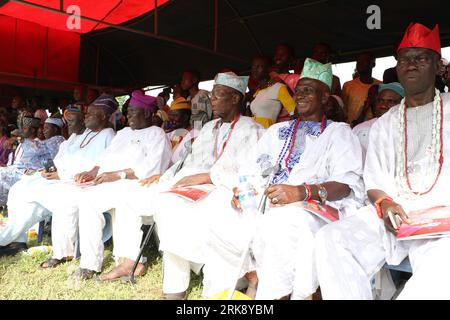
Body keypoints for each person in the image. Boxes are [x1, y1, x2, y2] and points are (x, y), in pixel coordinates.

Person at [201, 58, 364, 300]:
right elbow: (250, 169)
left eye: (308, 90)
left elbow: (345, 185)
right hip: (264, 203)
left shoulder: (338, 133)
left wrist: (301, 192)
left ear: (324, 97)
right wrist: (241, 190)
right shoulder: (276, 131)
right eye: (298, 90)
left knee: (279, 225)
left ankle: (278, 295)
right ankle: (241, 282)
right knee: (216, 212)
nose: (299, 95)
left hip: (311, 211)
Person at [94, 72, 264, 294]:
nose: (212, 99)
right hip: (193, 184)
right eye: (212, 94)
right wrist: (165, 176)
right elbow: (189, 161)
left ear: (235, 99)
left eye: (219, 95)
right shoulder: (209, 127)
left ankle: (213, 281)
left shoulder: (252, 129)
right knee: (152, 200)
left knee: (188, 208)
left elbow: (248, 171)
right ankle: (169, 280)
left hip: (225, 188)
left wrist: (208, 176)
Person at [315, 22, 450, 300]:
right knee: (332, 238)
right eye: (404, 60)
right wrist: (386, 202)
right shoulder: (385, 123)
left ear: (438, 67)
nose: (410, 65)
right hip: (394, 213)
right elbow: (374, 182)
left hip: (444, 220)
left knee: (440, 267)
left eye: (421, 58)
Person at [67, 90, 172, 279]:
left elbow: (152, 169)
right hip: (113, 183)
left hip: (139, 184)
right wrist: (93, 172)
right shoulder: (123, 133)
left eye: (133, 111)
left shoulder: (157, 134)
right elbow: (105, 158)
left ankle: (131, 262)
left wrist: (118, 174)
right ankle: (89, 263)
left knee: (125, 200)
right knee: (87, 199)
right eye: (128, 111)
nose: (128, 115)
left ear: (147, 113)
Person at [0, 103, 114, 256]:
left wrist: (62, 174)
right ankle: (17, 240)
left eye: (89, 115)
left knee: (36, 202)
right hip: (59, 177)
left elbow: (97, 166)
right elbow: (62, 160)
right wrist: (49, 171)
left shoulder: (108, 135)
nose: (86, 117)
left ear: (103, 117)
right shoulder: (75, 137)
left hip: (78, 183)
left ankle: (8, 240)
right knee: (19, 189)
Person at [0, 116, 64, 206]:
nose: (43, 131)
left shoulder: (58, 140)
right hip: (28, 171)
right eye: (43, 128)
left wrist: (19, 139)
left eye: (46, 128)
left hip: (36, 173)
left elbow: (38, 149)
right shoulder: (40, 142)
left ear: (55, 129)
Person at [353, 82, 404, 159]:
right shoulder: (360, 130)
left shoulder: (409, 130)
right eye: (380, 101)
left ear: (403, 104)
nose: (383, 105)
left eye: (390, 101)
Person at [249, 56, 296, 128]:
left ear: (268, 69)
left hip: (266, 133)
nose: (254, 70)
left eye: (259, 67)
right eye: (253, 67)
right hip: (253, 134)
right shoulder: (257, 93)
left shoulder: (279, 87)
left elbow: (294, 113)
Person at [342, 52, 382, 124]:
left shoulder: (381, 85)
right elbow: (343, 110)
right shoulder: (348, 85)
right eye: (358, 61)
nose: (360, 64)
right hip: (353, 129)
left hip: (375, 127)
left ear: (373, 64)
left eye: (364, 61)